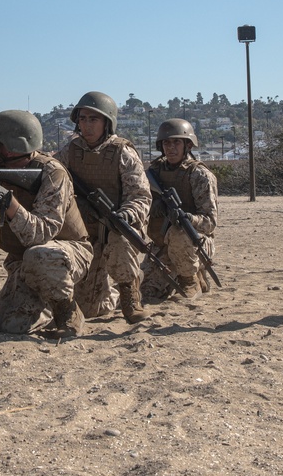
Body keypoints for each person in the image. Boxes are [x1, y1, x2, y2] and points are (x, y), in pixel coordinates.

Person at [0, 109, 93, 338]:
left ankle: (68, 312)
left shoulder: (52, 173)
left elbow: (43, 233)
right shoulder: (0, 173)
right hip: (25, 263)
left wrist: (8, 204)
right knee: (6, 325)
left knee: (39, 254)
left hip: (66, 255)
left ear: (10, 146)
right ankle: (43, 307)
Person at [55, 91, 152, 324]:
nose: (86, 125)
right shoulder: (70, 151)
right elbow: (52, 175)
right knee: (90, 310)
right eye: (83, 119)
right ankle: (113, 295)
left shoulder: (122, 152)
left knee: (120, 237)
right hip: (86, 232)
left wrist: (126, 215)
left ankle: (130, 294)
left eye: (93, 119)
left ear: (107, 122)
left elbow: (141, 196)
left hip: (114, 229)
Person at [144, 119, 218, 299]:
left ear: (188, 145)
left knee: (179, 233)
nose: (171, 147)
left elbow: (210, 222)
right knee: (148, 292)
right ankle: (190, 275)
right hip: (162, 243)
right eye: (166, 143)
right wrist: (155, 206)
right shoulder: (154, 173)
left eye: (177, 142)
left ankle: (190, 280)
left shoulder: (199, 175)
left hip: (194, 242)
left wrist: (187, 218)